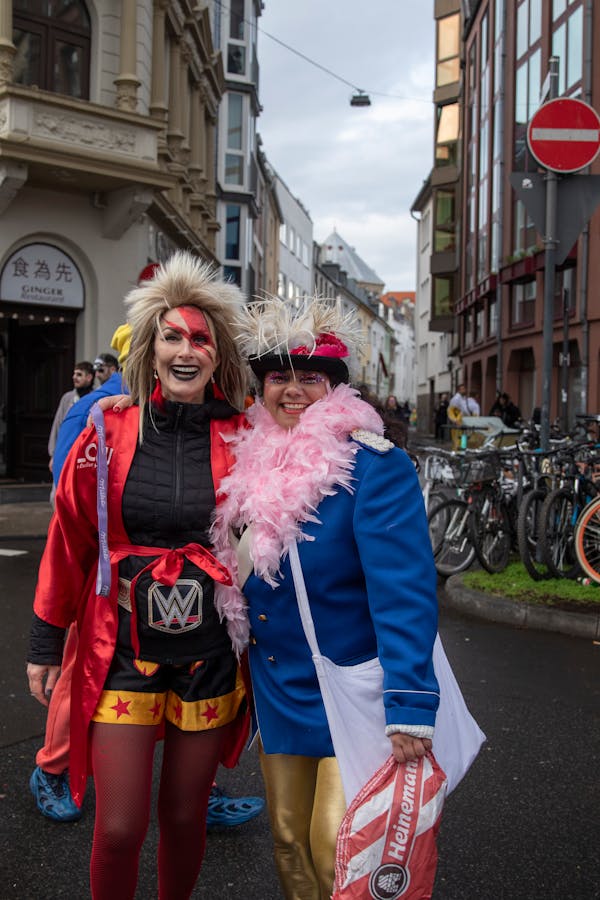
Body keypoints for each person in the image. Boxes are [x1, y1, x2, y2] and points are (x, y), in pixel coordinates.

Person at [27, 252, 256, 899]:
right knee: (122, 824)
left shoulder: (244, 438)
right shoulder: (107, 431)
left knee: (185, 817)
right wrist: (45, 643)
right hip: (124, 650)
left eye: (201, 339)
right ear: (151, 345)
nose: (186, 351)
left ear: (218, 354)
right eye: (173, 335)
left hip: (209, 655)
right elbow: (68, 539)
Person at [209, 297, 439, 900]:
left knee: (335, 839)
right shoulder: (247, 460)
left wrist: (409, 700)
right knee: (285, 835)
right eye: (278, 376)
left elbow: (405, 589)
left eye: (308, 377)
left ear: (334, 388)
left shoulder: (372, 466)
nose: (291, 390)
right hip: (280, 682)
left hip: (352, 686)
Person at [47, 361, 95, 506]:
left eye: (79, 374)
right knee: (57, 495)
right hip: (65, 453)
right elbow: (57, 426)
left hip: (84, 456)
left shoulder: (97, 397)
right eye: (74, 374)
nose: (74, 377)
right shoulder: (67, 398)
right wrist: (53, 455)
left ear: (89, 377)